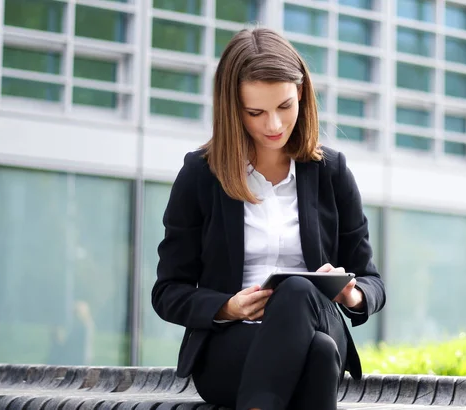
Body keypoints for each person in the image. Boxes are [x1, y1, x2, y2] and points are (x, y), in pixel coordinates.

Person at [151, 27, 386, 410]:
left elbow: (371, 281)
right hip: (232, 347)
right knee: (320, 356)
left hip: (318, 319)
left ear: (302, 97)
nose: (274, 125)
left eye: (285, 107)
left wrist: (351, 293)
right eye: (256, 112)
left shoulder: (331, 171)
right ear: (232, 109)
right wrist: (228, 306)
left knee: (296, 293)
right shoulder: (200, 175)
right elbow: (167, 292)